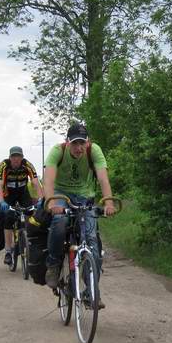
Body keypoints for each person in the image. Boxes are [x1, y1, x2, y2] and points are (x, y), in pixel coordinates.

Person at [43, 123, 116, 306]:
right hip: (61, 194)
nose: (79, 148)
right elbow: (49, 179)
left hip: (85, 197)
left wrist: (108, 202)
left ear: (87, 142)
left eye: (82, 143)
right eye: (75, 143)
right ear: (67, 143)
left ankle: (91, 292)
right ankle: (53, 265)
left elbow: (102, 178)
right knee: (59, 222)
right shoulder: (57, 151)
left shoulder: (94, 151)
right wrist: (51, 201)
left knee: (92, 242)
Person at [0, 146, 44, 265]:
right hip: (9, 194)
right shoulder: (4, 166)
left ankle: (29, 244)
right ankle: (8, 251)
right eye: (13, 156)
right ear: (10, 157)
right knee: (8, 218)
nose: (16, 159)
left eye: (18, 156)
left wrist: (41, 199)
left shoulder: (27, 164)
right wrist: (2, 201)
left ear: (22, 157)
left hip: (23, 193)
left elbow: (35, 183)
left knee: (32, 215)